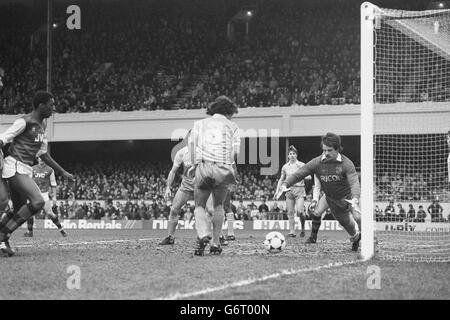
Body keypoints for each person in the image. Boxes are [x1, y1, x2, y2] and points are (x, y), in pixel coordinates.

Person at [0, 91, 74, 257]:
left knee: (19, 209)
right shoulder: (24, 121)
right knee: (38, 201)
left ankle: (2, 238)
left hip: (25, 168)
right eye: (51, 105)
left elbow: (43, 154)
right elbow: (4, 137)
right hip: (14, 166)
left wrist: (63, 172)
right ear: (41, 105)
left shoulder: (43, 126)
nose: (53, 109)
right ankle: (3, 235)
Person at [275, 132, 361, 251]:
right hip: (332, 200)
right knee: (348, 225)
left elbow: (354, 182)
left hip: (349, 197)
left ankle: (370, 242)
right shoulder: (317, 162)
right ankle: (356, 238)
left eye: (329, 150)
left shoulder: (347, 164)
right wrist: (285, 184)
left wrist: (355, 197)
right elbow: (299, 174)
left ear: (337, 149)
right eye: (324, 150)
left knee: (358, 217)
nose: (325, 153)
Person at [188, 95, 240, 255]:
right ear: (228, 111)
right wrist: (228, 165)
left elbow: (191, 144)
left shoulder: (200, 124)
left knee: (199, 205)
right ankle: (216, 243)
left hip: (204, 166)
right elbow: (235, 151)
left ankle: (203, 234)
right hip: (223, 168)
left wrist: (193, 164)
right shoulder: (233, 126)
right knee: (218, 206)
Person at [159, 130, 228, 246]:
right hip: (186, 186)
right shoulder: (181, 153)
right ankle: (170, 237)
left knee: (211, 210)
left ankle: (219, 236)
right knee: (174, 210)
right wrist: (168, 187)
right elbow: (173, 171)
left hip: (203, 186)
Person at [24, 156, 67, 237]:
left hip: (44, 195)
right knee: (29, 214)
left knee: (50, 213)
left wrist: (54, 197)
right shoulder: (32, 168)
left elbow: (53, 184)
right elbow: (28, 181)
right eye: (40, 159)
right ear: (38, 159)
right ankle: (30, 232)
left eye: (43, 159)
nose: (41, 160)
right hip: (33, 194)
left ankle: (61, 230)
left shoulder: (50, 170)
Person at [275, 145, 311, 238]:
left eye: (293, 154)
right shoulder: (285, 167)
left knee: (300, 211)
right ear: (288, 156)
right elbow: (281, 179)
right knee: (290, 212)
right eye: (290, 154)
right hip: (289, 190)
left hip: (299, 189)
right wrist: (277, 190)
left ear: (296, 155)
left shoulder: (302, 165)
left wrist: (301, 176)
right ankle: (292, 231)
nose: (291, 155)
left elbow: (309, 177)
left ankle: (303, 228)